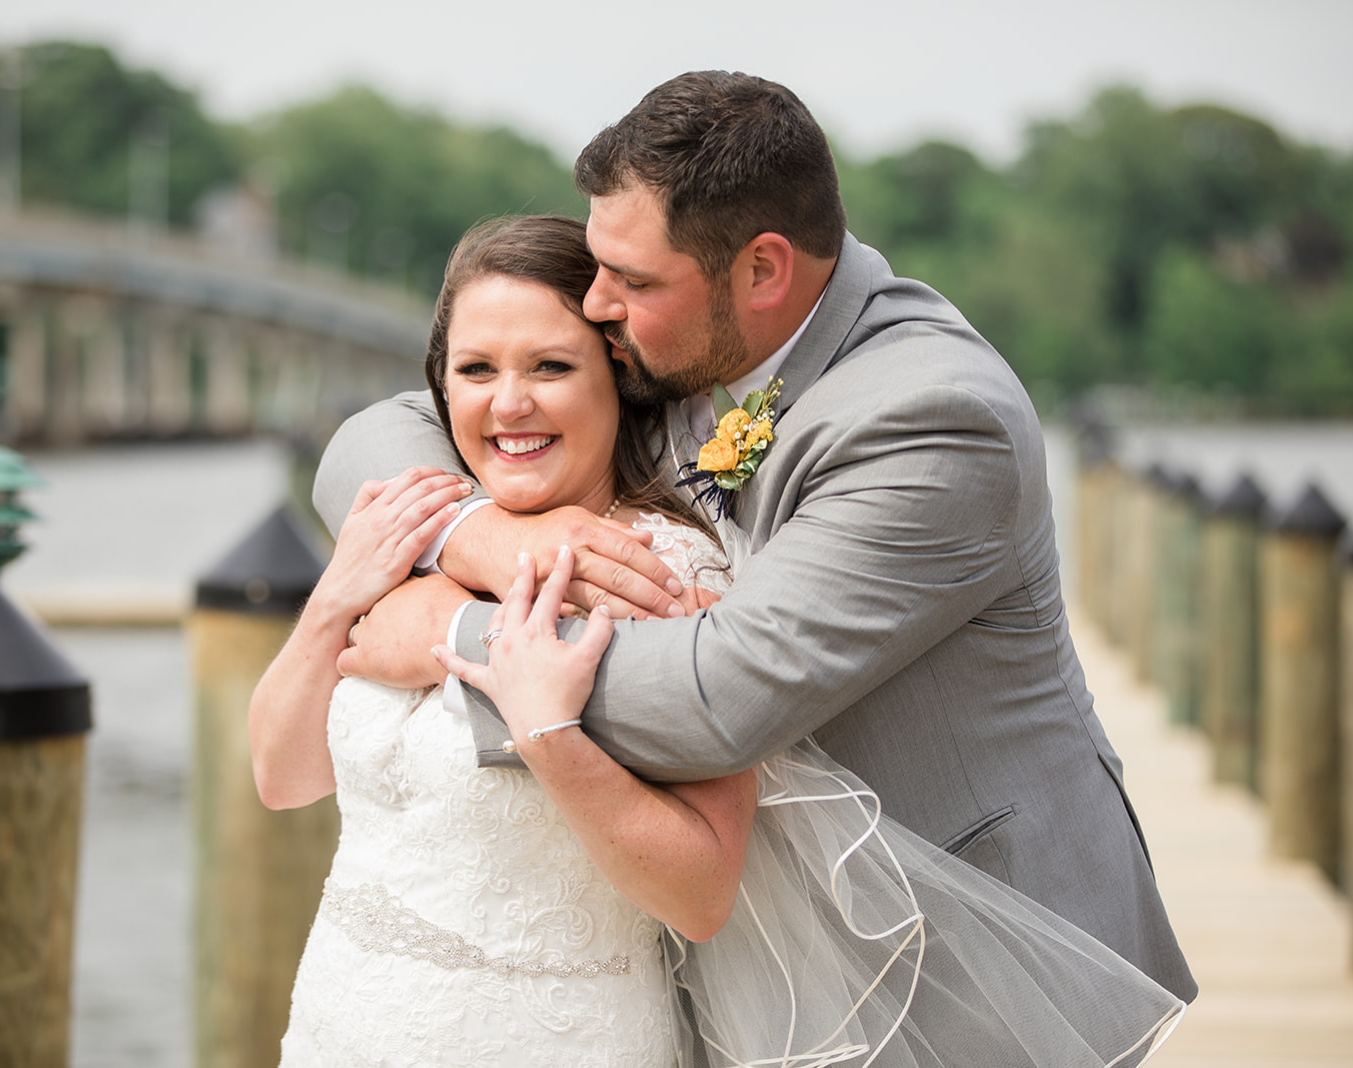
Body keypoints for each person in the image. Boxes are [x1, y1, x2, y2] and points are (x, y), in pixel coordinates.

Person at [315, 71, 1197, 1005]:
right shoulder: (688, 338)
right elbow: (380, 432)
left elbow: (715, 700)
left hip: (976, 958)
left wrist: (455, 635)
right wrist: (475, 533)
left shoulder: (937, 418)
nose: (600, 304)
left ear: (763, 270)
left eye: (633, 279)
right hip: (767, 948)